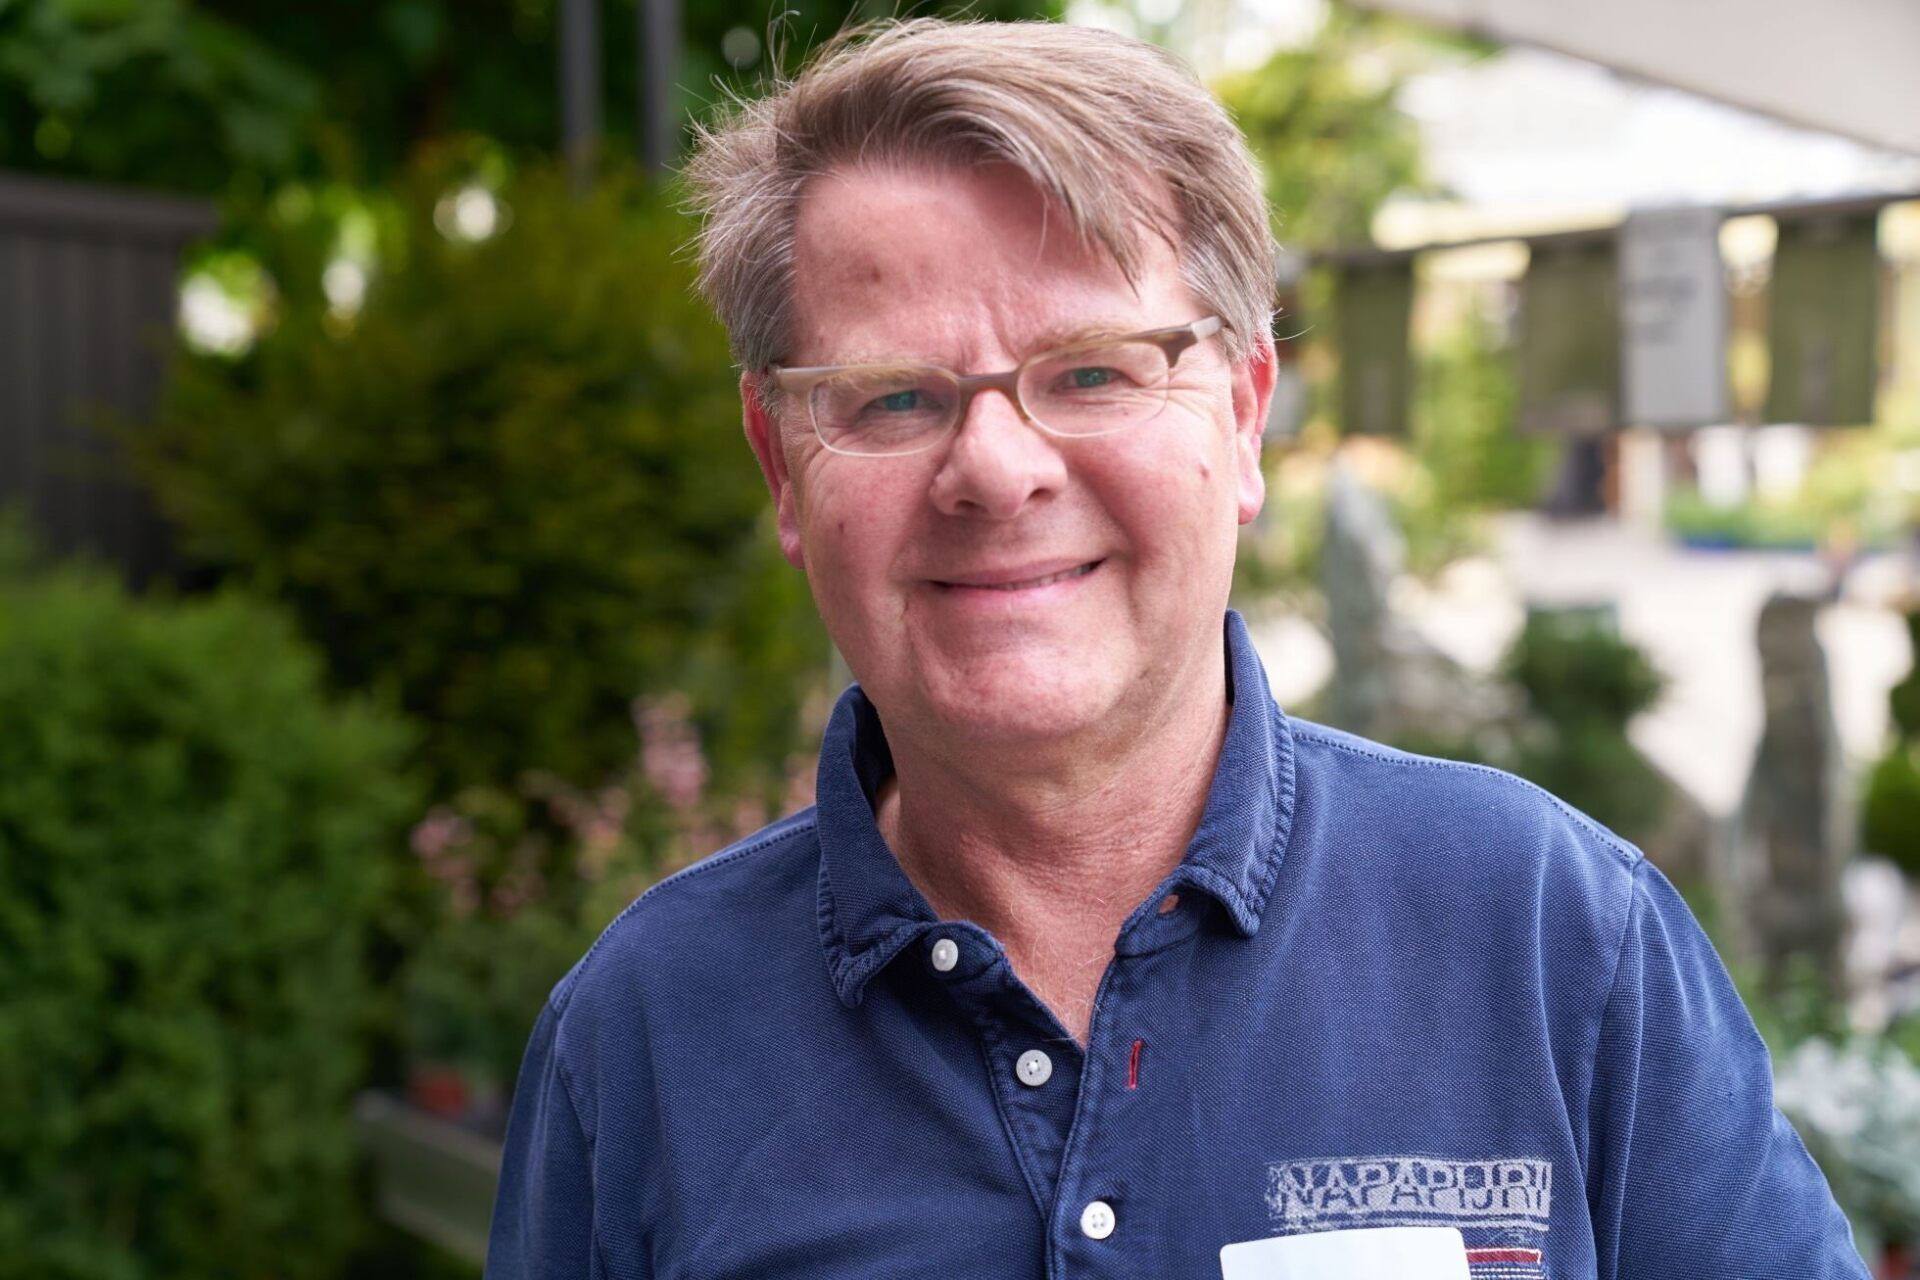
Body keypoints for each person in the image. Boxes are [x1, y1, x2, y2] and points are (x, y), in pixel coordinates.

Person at [485, 19, 1866, 1278]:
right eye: (893, 397)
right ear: (780, 463)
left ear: (1246, 411)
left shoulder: (1554, 940)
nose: (997, 469)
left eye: (1093, 371)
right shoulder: (642, 1042)